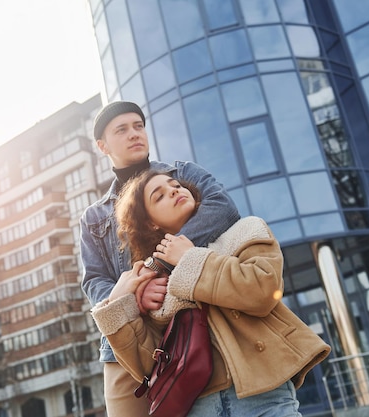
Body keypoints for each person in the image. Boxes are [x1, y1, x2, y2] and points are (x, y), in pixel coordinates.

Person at [90, 170, 331, 417]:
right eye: (159, 196)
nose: (174, 190)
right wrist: (119, 303)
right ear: (151, 222)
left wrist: (189, 258)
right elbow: (148, 364)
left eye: (175, 185)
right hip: (197, 407)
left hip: (264, 396)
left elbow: (263, 291)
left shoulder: (245, 231)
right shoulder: (153, 282)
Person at [79, 101, 240, 416]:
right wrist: (134, 297)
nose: (134, 134)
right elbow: (94, 280)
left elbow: (222, 208)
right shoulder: (94, 216)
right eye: (122, 130)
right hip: (124, 345)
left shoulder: (182, 174)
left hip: (193, 328)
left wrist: (158, 265)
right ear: (102, 146)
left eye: (138, 126)